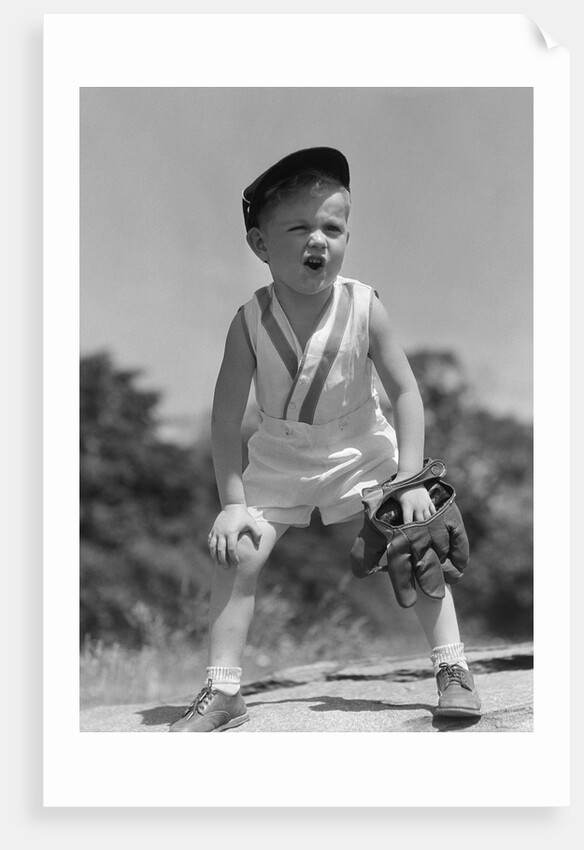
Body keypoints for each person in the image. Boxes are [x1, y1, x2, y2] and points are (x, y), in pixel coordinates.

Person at [169, 147, 481, 733]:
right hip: (280, 455)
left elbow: (406, 394)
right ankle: (223, 690)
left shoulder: (365, 305)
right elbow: (223, 417)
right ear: (261, 245)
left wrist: (410, 479)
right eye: (300, 227)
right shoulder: (248, 322)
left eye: (333, 227)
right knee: (238, 553)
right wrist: (232, 502)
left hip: (360, 448)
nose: (320, 240)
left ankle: (453, 669)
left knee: (415, 540)